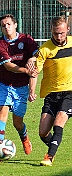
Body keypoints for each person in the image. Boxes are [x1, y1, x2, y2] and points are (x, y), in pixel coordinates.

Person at [0, 14, 39, 162]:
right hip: (3, 84)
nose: (6, 27)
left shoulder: (26, 39)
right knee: (1, 115)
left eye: (9, 24)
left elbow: (38, 54)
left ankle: (24, 137)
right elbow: (8, 66)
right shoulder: (0, 44)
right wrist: (26, 70)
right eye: (3, 25)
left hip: (21, 87)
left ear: (15, 25)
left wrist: (32, 58)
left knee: (17, 123)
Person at [27, 16, 72, 166]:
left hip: (70, 93)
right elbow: (34, 72)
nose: (59, 37)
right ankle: (54, 144)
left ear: (68, 30)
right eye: (55, 34)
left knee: (59, 121)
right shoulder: (45, 49)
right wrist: (31, 91)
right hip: (51, 95)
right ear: (51, 31)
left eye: (62, 33)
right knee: (43, 132)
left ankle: (49, 156)